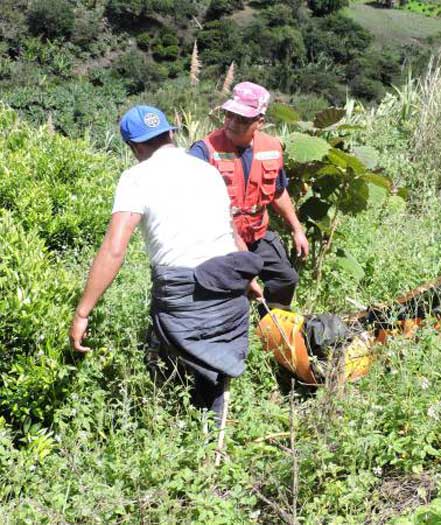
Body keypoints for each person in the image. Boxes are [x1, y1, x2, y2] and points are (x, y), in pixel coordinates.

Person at [69, 105, 263, 421]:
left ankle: (173, 420)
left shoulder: (136, 178)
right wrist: (248, 278)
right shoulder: (208, 170)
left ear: (134, 147)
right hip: (229, 287)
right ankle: (207, 427)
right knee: (207, 371)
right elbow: (229, 231)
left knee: (169, 354)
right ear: (171, 134)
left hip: (183, 296)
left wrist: (82, 312)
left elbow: (114, 250)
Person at [189, 82, 308, 315]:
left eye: (242, 119)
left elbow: (277, 190)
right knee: (234, 289)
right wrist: (244, 268)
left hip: (256, 231)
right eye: (229, 115)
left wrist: (297, 228)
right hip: (219, 238)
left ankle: (270, 328)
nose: (232, 123)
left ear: (259, 122)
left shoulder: (272, 148)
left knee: (286, 279)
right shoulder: (204, 151)